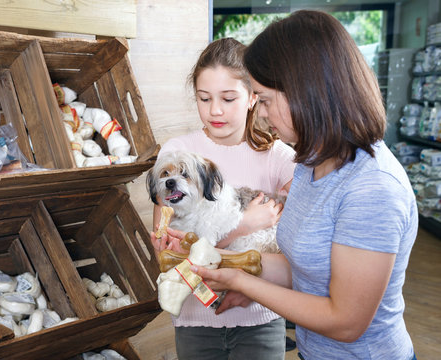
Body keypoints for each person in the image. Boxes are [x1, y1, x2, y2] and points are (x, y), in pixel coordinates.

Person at [188, 10, 418, 360]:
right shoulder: (310, 164)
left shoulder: (372, 188)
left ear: (305, 92)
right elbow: (304, 268)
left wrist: (241, 281)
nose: (260, 114)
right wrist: (222, 260)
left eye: (264, 100)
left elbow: (345, 322)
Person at [150, 38, 296, 359]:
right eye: (204, 98)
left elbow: (298, 250)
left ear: (252, 97)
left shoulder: (281, 157)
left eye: (228, 98)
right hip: (195, 319)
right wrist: (243, 225)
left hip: (262, 318)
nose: (215, 110)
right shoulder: (177, 155)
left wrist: (250, 289)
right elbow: (169, 247)